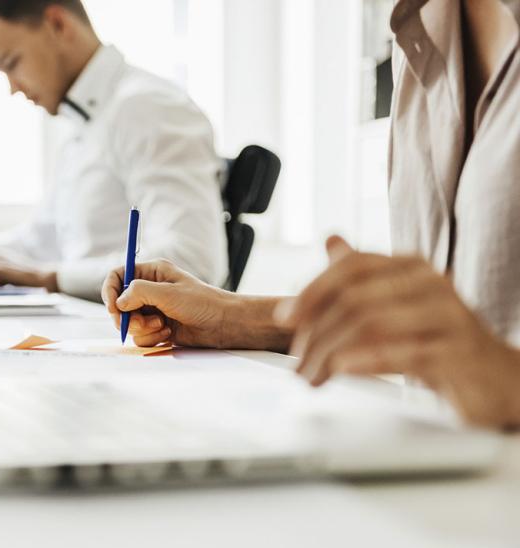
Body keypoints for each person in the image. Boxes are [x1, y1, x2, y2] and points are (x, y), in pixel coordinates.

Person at [102, 0, 520, 429]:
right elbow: (439, 335)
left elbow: (472, 350)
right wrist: (229, 318)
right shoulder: (416, 29)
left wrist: (490, 369)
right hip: (433, 450)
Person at [0, 0, 228, 302]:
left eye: (12, 63)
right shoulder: (86, 124)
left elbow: (192, 263)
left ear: (58, 24)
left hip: (129, 337)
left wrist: (51, 278)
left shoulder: (148, 108)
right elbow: (38, 241)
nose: (13, 88)